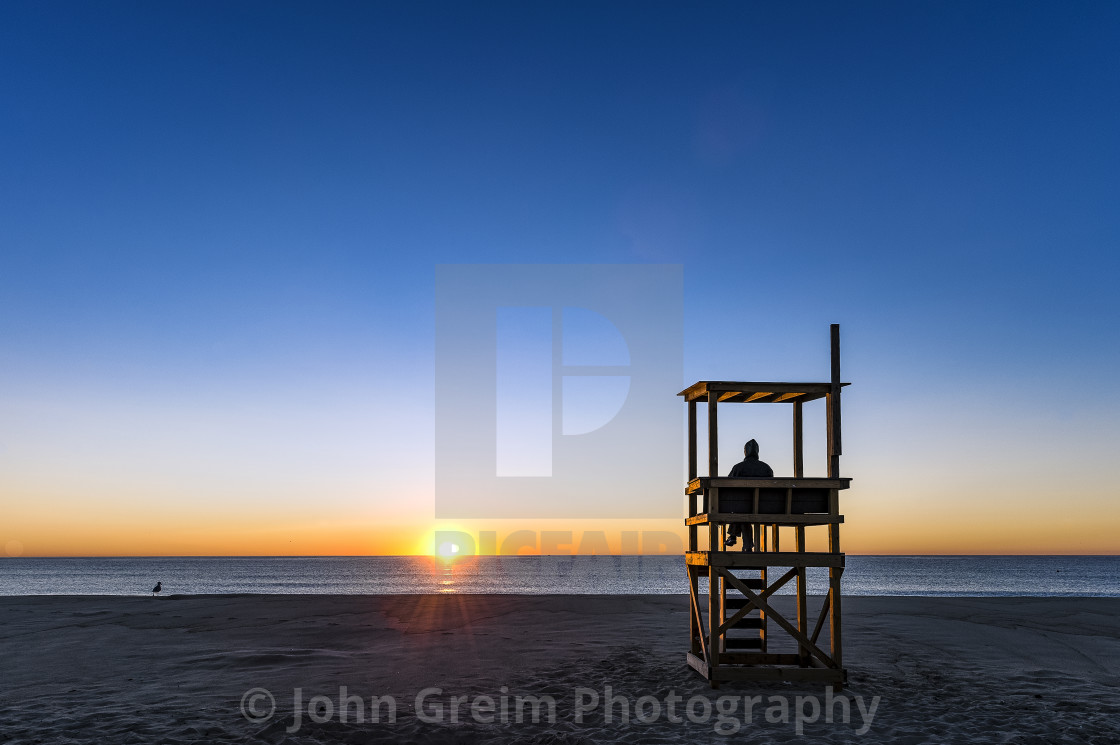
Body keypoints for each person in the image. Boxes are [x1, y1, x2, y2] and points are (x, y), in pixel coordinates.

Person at [724, 439, 773, 550]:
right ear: (757, 452)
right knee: (743, 511)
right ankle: (747, 545)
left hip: (741, 508)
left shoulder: (738, 468)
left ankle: (733, 536)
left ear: (745, 452)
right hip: (764, 508)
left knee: (741, 509)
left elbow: (726, 485)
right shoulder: (766, 469)